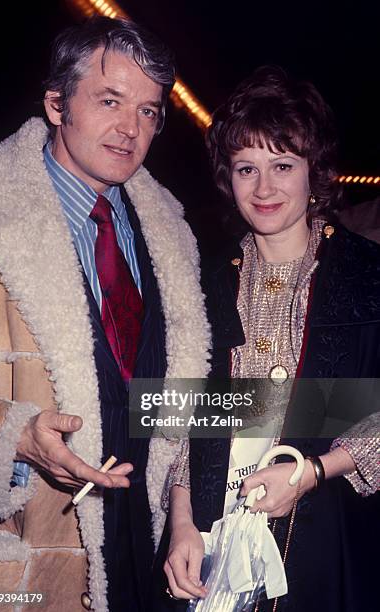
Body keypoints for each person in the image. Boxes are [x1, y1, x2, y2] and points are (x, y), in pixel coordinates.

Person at [0, 16, 210, 612]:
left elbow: (195, 398)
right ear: (57, 104)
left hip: (150, 549)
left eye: (150, 111)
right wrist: (13, 436)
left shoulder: (174, 237)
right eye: (110, 101)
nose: (131, 129)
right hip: (32, 550)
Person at [163, 66, 380, 611]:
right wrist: (182, 524)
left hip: (331, 542)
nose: (263, 189)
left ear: (316, 173)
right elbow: (184, 415)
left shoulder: (368, 275)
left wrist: (312, 471)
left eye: (283, 165)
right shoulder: (202, 283)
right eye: (246, 168)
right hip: (213, 542)